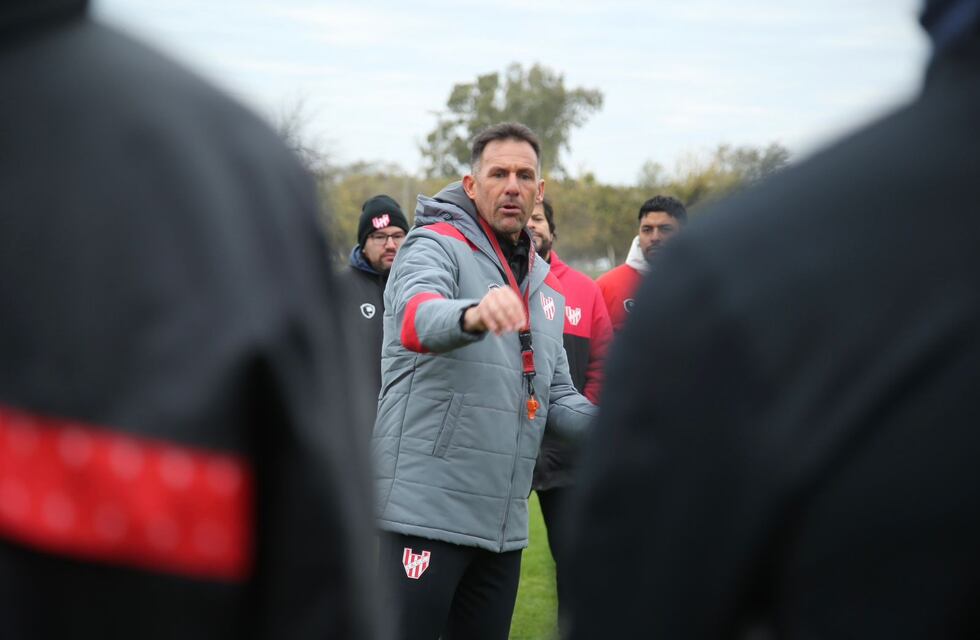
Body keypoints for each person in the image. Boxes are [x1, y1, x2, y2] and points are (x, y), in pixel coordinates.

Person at [565, 2, 980, 638]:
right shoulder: (673, 284)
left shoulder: (734, 269)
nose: (653, 239)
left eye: (664, 229)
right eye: (645, 229)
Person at [0, 2, 379, 638]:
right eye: (381, 233)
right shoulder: (234, 172)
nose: (390, 242)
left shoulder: (236, 186)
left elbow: (315, 577)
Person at [372, 123, 596, 640]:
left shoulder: (545, 286)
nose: (512, 186)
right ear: (472, 185)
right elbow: (415, 319)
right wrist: (471, 315)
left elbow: (556, 396)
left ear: (540, 190)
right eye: (498, 174)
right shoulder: (432, 244)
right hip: (423, 515)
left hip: (501, 532)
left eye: (524, 175)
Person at [525, 198, 612, 624]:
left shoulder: (582, 288)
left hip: (566, 451)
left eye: (538, 218)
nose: (531, 225)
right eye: (525, 218)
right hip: (509, 448)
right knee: (486, 561)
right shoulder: (492, 280)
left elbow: (603, 363)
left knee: (574, 560)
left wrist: (584, 416)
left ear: (552, 230)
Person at [339, 195, 409, 393]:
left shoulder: (422, 284)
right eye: (379, 237)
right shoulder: (340, 288)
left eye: (397, 236)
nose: (390, 245)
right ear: (363, 243)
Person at [596, 195, 687, 332]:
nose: (655, 237)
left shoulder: (706, 285)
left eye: (665, 229)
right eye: (647, 229)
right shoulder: (606, 287)